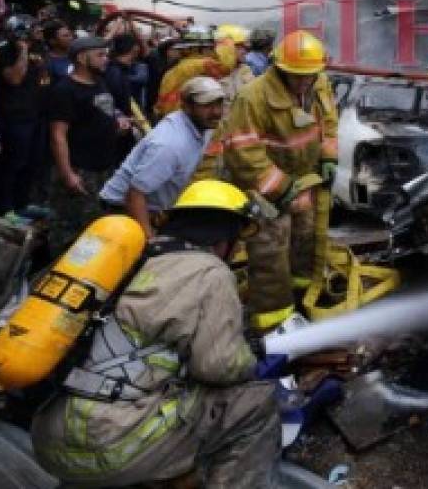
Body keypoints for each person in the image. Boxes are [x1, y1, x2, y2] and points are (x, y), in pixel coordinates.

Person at [31, 180, 280, 488]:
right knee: (256, 402)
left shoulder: (125, 257)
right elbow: (219, 367)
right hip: (113, 445)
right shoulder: (210, 273)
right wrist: (250, 357)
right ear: (225, 239)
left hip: (49, 440)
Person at [223, 30, 338, 330]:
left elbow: (328, 123)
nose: (303, 82)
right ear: (279, 68)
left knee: (306, 246)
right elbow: (243, 151)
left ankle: (303, 298)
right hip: (267, 192)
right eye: (295, 75)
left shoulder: (320, 83)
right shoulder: (252, 97)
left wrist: (328, 156)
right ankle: (274, 324)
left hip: (305, 184)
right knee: (271, 256)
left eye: (309, 75)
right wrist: (279, 187)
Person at [100, 76, 226, 237]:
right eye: (207, 106)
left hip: (153, 209)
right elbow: (135, 194)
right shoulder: (170, 144)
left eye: (219, 104)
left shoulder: (204, 126)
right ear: (187, 107)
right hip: (123, 211)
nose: (216, 112)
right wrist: (149, 240)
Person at [46, 36, 131, 259]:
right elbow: (58, 135)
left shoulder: (99, 82)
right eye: (100, 55)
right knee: (69, 232)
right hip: (80, 170)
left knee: (95, 228)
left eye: (106, 54)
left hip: (102, 168)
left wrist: (118, 122)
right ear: (82, 58)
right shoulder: (64, 90)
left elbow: (105, 112)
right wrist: (68, 175)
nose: (106, 60)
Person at [0, 31, 47, 213]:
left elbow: (43, 78)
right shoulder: (4, 51)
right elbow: (15, 78)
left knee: (32, 162)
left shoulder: (37, 48)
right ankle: (4, 207)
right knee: (13, 163)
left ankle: (22, 203)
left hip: (35, 114)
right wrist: (23, 51)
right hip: (13, 117)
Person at [154, 37, 238, 118]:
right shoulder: (202, 64)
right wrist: (227, 43)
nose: (213, 52)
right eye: (210, 48)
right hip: (190, 118)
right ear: (200, 49)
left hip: (173, 119)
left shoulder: (171, 71)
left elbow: (160, 106)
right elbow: (226, 67)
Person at [42, 20, 74, 84]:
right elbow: (44, 87)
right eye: (65, 36)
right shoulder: (46, 63)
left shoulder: (77, 56)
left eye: (70, 35)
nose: (71, 38)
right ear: (52, 41)